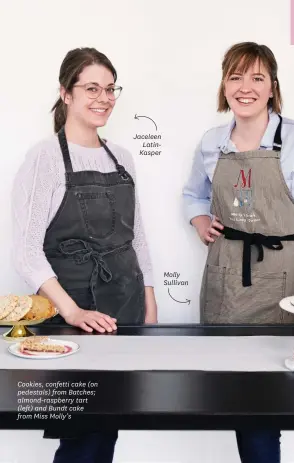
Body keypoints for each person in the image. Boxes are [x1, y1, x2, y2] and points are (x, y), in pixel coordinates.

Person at [182, 42, 294, 462]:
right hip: (224, 277)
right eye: (235, 76)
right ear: (223, 84)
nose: (245, 87)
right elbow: (192, 195)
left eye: (257, 78)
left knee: (266, 400)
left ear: (273, 86)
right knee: (232, 392)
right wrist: (199, 218)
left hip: (285, 285)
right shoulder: (212, 142)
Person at [11, 47, 157, 462]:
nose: (104, 98)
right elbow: (25, 251)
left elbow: (138, 237)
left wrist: (148, 298)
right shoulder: (44, 158)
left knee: (107, 427)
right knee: (84, 435)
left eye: (111, 89)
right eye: (92, 87)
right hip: (72, 315)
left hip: (125, 308)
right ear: (66, 93)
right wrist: (72, 313)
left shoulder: (122, 158)